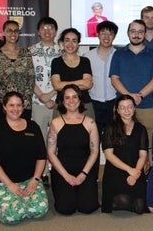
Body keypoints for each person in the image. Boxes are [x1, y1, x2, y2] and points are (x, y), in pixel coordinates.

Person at [0, 91, 48, 225]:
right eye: (11, 105)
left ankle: (20, 202)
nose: (15, 109)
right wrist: (10, 185)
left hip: (29, 179)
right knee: (11, 216)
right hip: (2, 180)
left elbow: (42, 157)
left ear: (23, 107)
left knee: (39, 210)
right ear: (4, 107)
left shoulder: (33, 126)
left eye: (19, 105)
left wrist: (35, 180)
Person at [47, 84, 100, 215]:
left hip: (85, 169)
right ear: (62, 101)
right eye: (67, 98)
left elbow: (94, 151)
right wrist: (66, 176)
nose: (71, 101)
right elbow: (51, 153)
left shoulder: (90, 123)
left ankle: (81, 189)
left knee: (87, 207)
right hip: (63, 169)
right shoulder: (56, 123)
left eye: (74, 97)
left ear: (80, 99)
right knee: (66, 209)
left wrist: (83, 174)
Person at [109, 19, 153, 152]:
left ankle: (147, 173)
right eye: (133, 31)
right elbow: (114, 79)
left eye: (140, 32)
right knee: (122, 144)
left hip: (146, 105)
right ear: (127, 33)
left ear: (145, 34)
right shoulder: (118, 54)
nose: (136, 34)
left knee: (148, 145)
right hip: (122, 107)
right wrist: (129, 97)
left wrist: (140, 96)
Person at [101, 95, 149, 214]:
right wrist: (129, 170)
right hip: (116, 170)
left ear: (134, 109)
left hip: (136, 169)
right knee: (124, 201)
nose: (126, 111)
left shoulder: (141, 129)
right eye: (122, 108)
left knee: (139, 207)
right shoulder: (110, 128)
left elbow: (143, 155)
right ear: (117, 110)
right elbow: (109, 155)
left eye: (129, 107)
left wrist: (136, 173)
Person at [29, 17, 61, 186]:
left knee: (58, 139)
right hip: (37, 101)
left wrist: (51, 94)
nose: (47, 31)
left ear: (55, 31)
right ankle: (41, 173)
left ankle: (57, 172)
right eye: (44, 28)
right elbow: (29, 76)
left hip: (59, 102)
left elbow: (66, 76)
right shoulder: (30, 51)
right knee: (40, 139)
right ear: (38, 31)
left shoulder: (62, 50)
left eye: (51, 28)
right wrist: (42, 96)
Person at [81, 20, 119, 139]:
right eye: (103, 33)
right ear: (97, 34)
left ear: (114, 36)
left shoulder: (120, 55)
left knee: (112, 139)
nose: (106, 37)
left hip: (114, 103)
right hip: (93, 103)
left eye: (110, 33)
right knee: (92, 138)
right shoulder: (87, 56)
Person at [0, 20, 35, 121]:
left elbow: (31, 78)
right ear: (3, 33)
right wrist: (7, 102)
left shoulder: (26, 53)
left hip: (24, 105)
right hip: (3, 104)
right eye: (9, 31)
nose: (13, 34)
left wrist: (23, 101)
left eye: (16, 31)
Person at [51, 28, 95, 119]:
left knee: (87, 132)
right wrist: (81, 82)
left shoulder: (85, 61)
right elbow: (56, 86)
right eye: (67, 40)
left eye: (74, 41)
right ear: (62, 43)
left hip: (84, 104)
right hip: (62, 105)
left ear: (78, 44)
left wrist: (64, 84)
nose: (70, 44)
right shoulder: (56, 62)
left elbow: (87, 84)